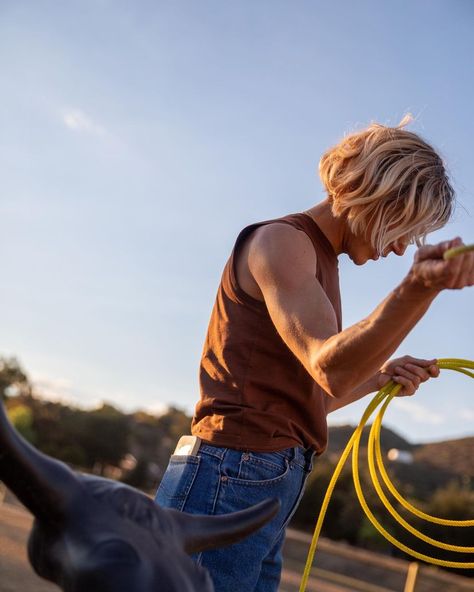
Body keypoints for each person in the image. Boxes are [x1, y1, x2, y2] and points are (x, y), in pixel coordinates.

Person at [154, 116, 473, 592]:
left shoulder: (321, 261)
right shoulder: (283, 242)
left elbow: (309, 398)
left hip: (263, 483)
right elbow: (330, 367)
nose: (403, 246)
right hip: (230, 478)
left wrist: (379, 374)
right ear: (375, 198)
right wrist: (417, 289)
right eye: (403, 228)